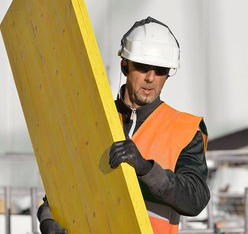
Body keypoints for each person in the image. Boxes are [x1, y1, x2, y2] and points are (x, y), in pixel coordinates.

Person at [37, 16, 210, 234]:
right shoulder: (93, 119)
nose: (150, 78)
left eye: (160, 70)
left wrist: (145, 169)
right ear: (124, 65)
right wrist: (47, 219)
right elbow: (59, 190)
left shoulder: (185, 129)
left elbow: (195, 199)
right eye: (142, 66)